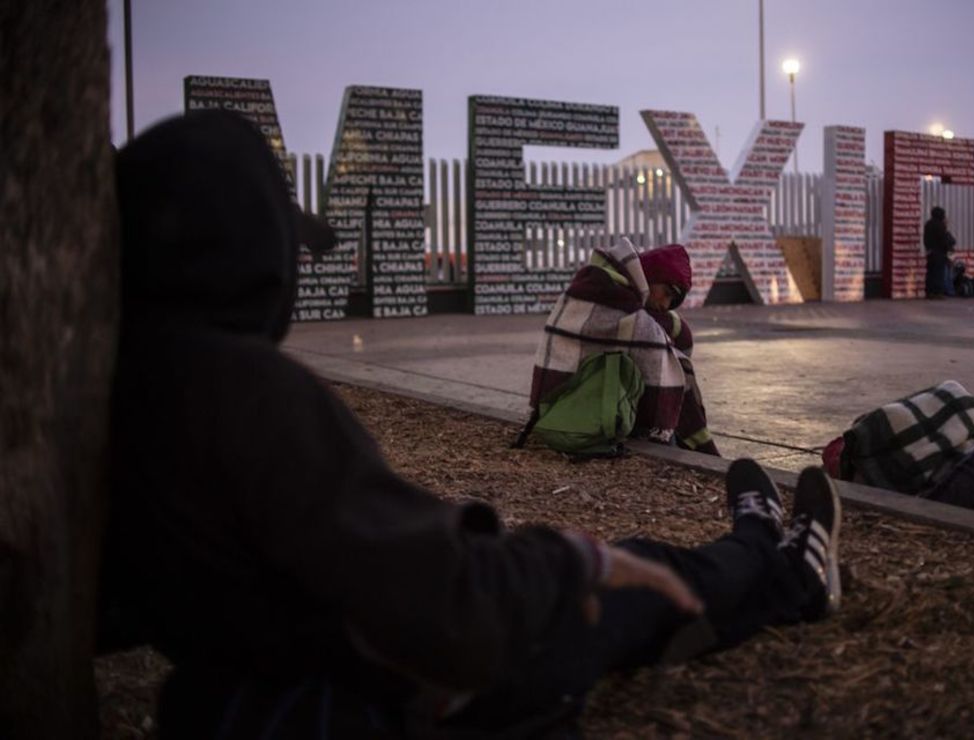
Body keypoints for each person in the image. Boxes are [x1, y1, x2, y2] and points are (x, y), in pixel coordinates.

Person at [99, 111, 844, 738]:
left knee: (630, 591)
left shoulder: (122, 389)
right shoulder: (242, 395)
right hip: (400, 694)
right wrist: (569, 564)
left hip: (256, 696)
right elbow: (453, 609)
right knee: (643, 573)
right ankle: (779, 559)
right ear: (243, 253)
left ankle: (771, 561)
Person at [528, 238, 720, 455]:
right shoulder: (608, 291)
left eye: (672, 301)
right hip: (573, 412)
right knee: (671, 364)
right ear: (651, 276)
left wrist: (674, 326)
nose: (664, 304)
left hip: (553, 409)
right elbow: (655, 349)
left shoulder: (608, 284)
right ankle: (702, 449)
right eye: (666, 293)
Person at [922, 206, 955, 299]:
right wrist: (948, 249)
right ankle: (937, 293)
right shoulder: (940, 225)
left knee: (930, 272)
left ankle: (929, 292)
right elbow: (943, 240)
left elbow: (925, 239)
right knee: (938, 273)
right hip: (939, 253)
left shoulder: (928, 224)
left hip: (930, 252)